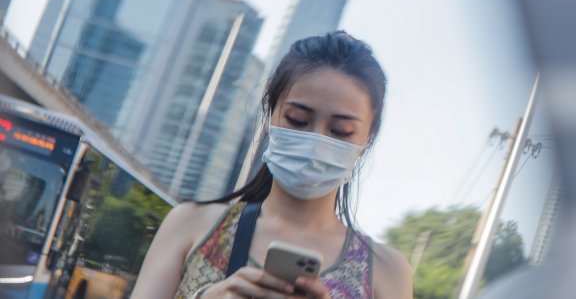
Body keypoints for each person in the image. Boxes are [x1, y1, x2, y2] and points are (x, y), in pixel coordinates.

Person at [130, 31, 412, 299]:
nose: (315, 142)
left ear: (367, 139)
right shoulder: (191, 224)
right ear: (269, 115)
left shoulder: (387, 270)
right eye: (297, 120)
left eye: (340, 131)